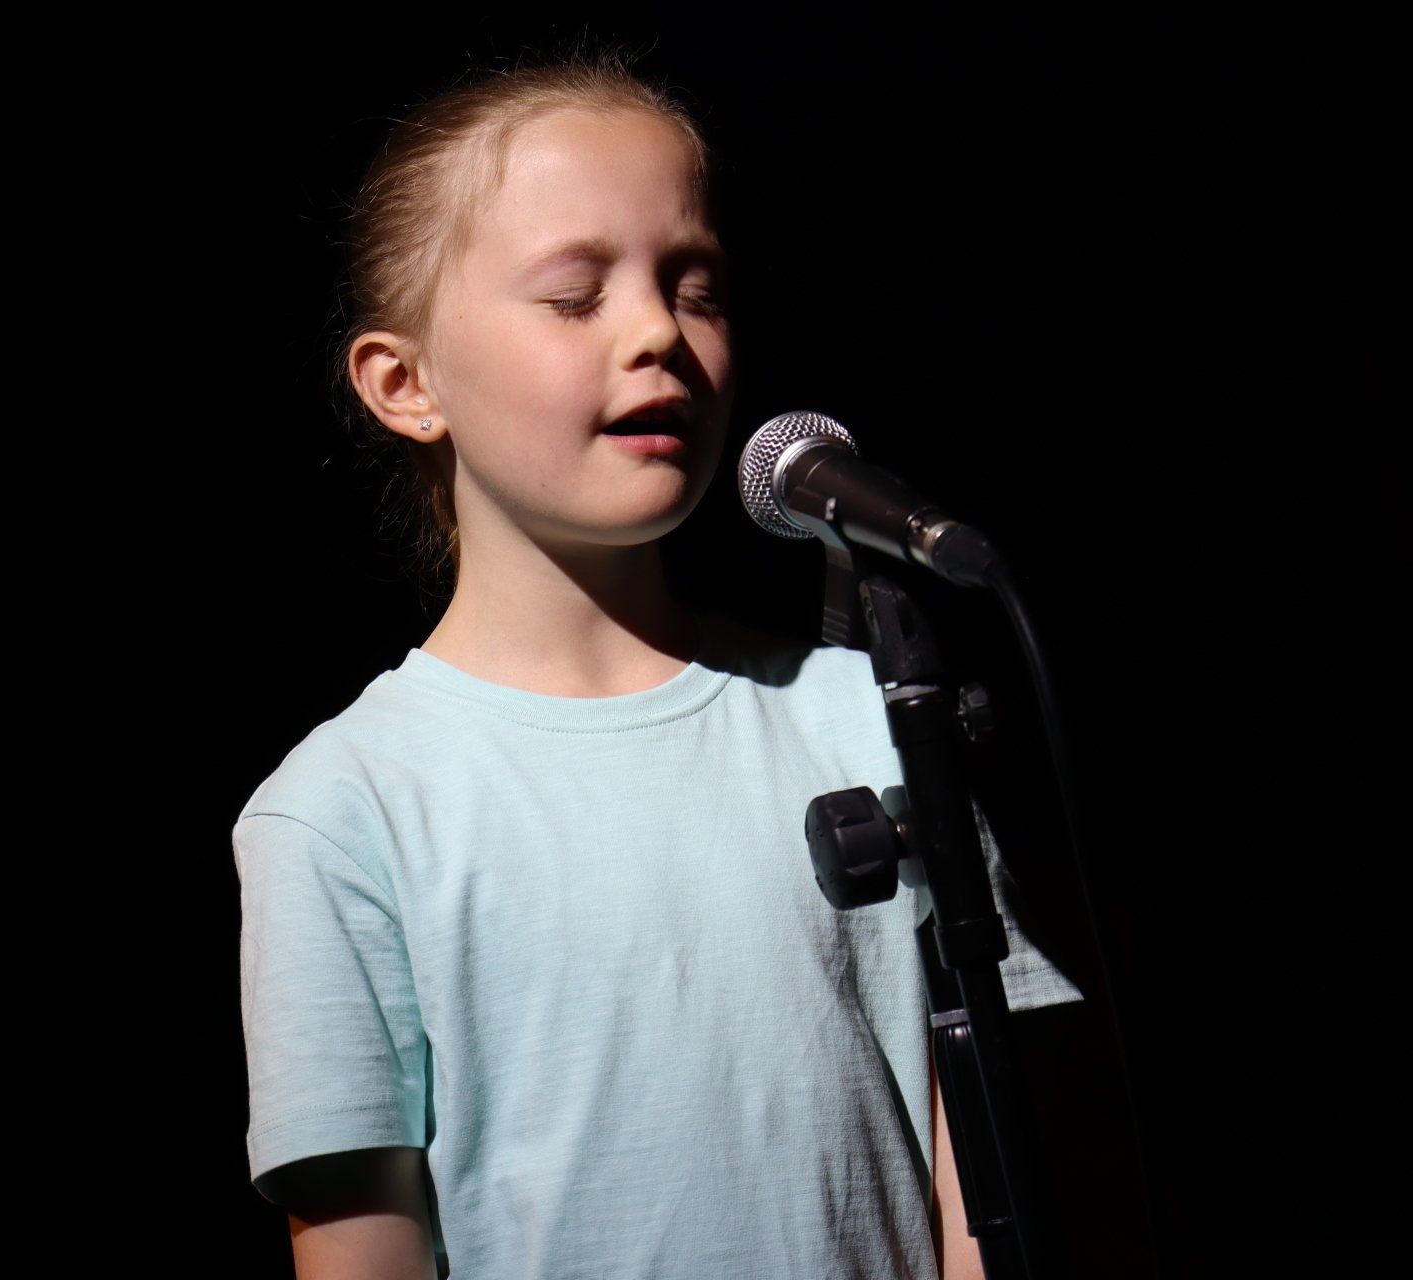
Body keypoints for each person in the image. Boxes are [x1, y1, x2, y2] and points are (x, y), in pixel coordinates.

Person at [234, 47, 1083, 1280]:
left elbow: (987, 1178)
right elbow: (365, 1248)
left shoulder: (862, 716)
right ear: (406, 383)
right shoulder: (344, 806)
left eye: (697, 289)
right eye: (576, 296)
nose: (658, 334)